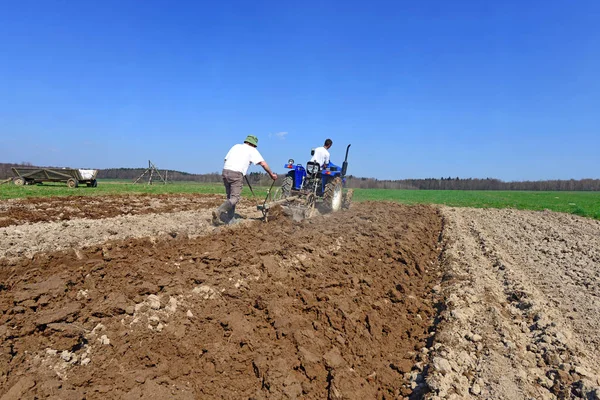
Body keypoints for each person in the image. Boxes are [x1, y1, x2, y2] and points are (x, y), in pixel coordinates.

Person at [212, 135, 277, 225]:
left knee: (230, 198)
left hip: (225, 171)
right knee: (235, 199)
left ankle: (230, 219)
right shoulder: (252, 150)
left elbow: (225, 159)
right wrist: (271, 174)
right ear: (253, 145)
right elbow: (263, 163)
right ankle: (219, 211)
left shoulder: (236, 146)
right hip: (236, 174)